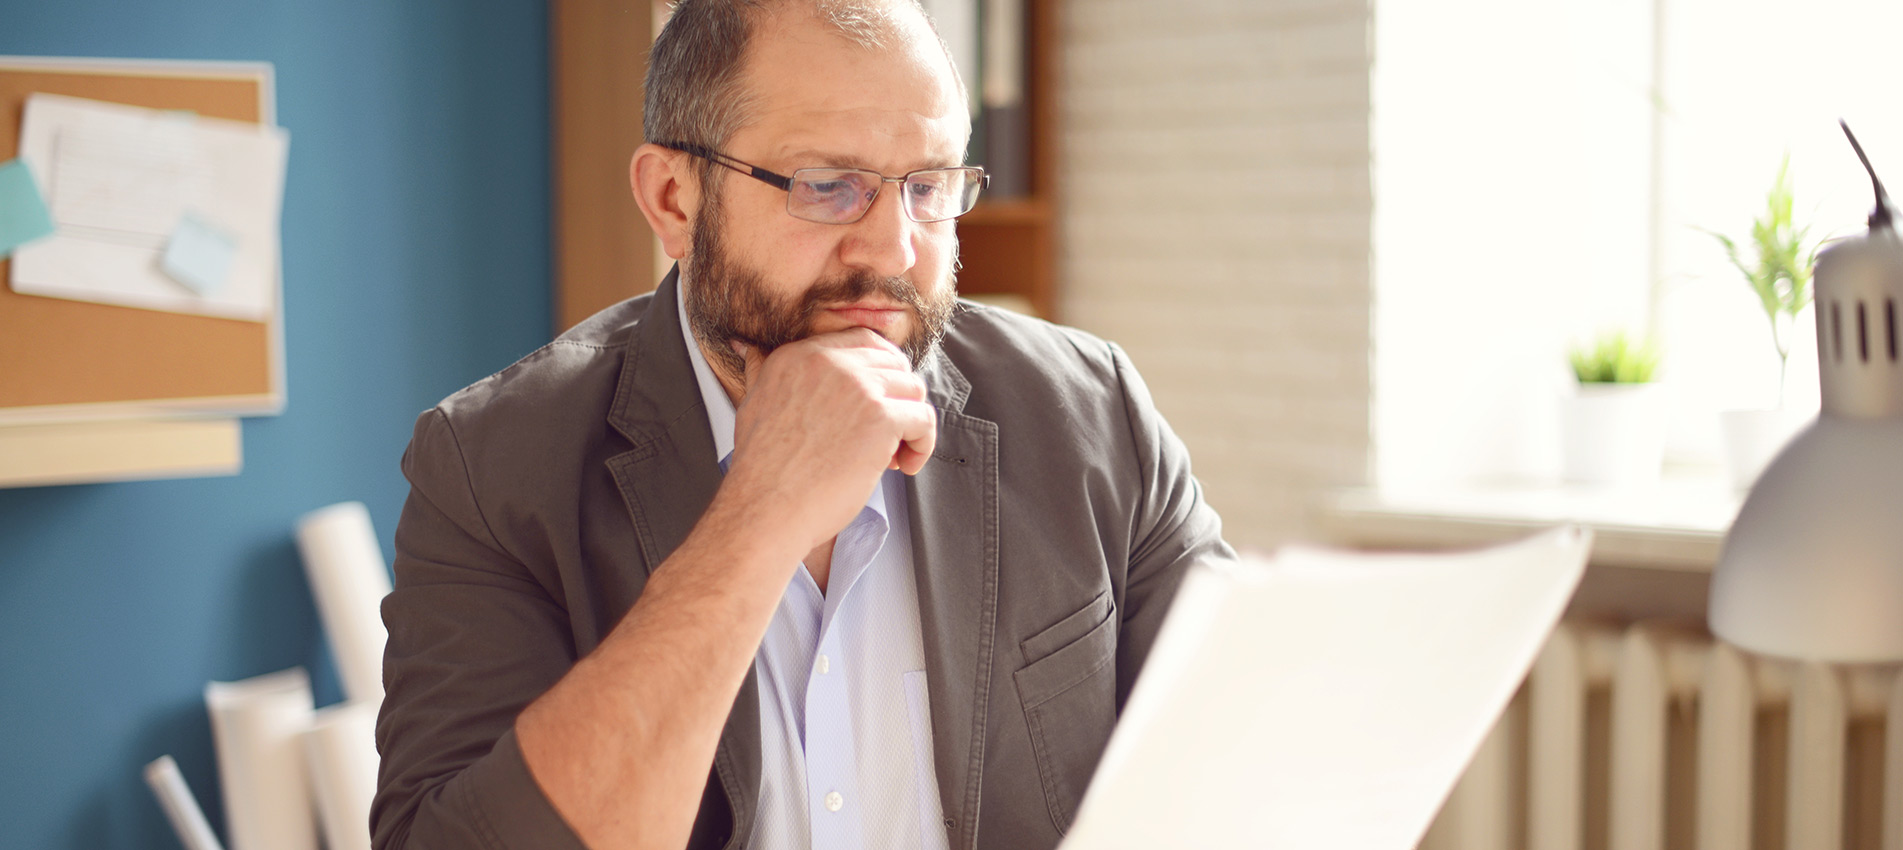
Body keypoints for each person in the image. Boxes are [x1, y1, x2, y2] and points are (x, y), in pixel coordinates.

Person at [371, 0, 1233, 848]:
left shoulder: (1091, 414)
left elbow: (1258, 761)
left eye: (928, 187)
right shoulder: (490, 468)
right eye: (828, 187)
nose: (893, 250)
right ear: (674, 199)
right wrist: (758, 515)